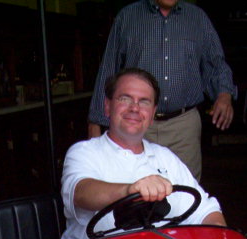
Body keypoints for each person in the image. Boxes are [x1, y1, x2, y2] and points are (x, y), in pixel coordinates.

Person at [61, 68, 226, 239]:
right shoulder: (84, 152)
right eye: (125, 98)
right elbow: (81, 192)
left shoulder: (165, 157)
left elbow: (206, 211)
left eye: (144, 102)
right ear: (107, 106)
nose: (134, 108)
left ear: (153, 113)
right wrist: (130, 190)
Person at [86, 0, 236, 181]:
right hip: (136, 122)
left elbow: (216, 64)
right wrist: (95, 123)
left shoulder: (197, 19)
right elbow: (108, 70)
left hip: (183, 127)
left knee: (185, 192)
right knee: (134, 190)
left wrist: (224, 94)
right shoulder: (127, 17)